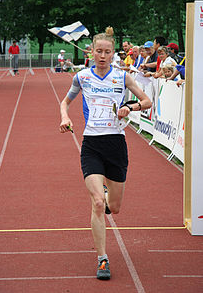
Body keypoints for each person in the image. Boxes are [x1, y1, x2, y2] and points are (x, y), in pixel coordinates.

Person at [59, 27, 152, 280]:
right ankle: (102, 259)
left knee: (115, 207)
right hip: (91, 145)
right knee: (98, 203)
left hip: (116, 146)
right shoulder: (82, 77)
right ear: (91, 52)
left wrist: (129, 107)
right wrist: (65, 116)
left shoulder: (122, 77)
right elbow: (65, 101)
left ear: (113, 54)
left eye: (107, 52)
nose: (102, 55)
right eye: (98, 51)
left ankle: (109, 194)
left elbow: (147, 101)